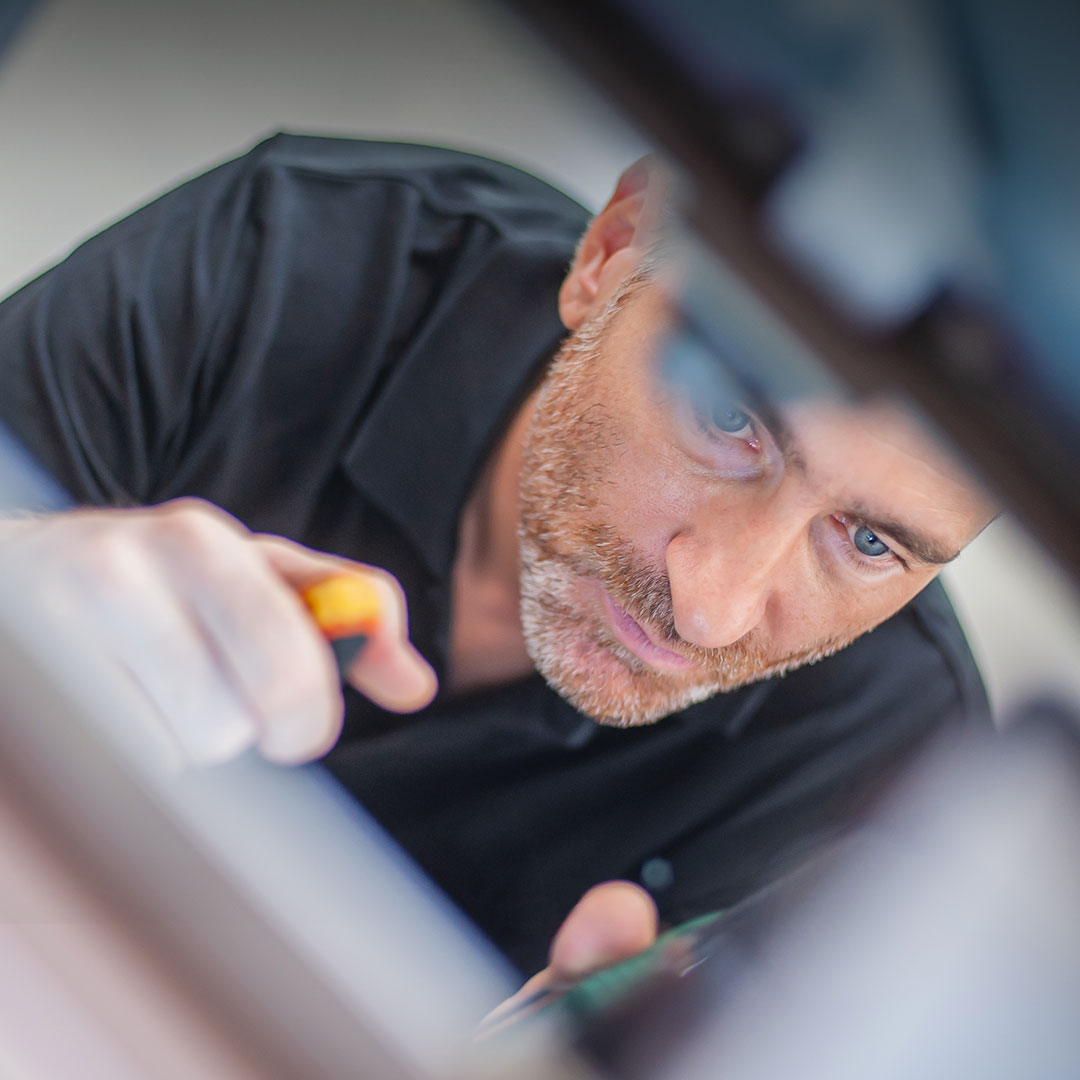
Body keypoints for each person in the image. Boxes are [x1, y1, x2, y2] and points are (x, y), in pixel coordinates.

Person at [0, 134, 993, 978]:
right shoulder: (285, 264)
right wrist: (28, 578)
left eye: (869, 543)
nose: (711, 610)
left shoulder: (896, 778)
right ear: (611, 253)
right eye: (730, 417)